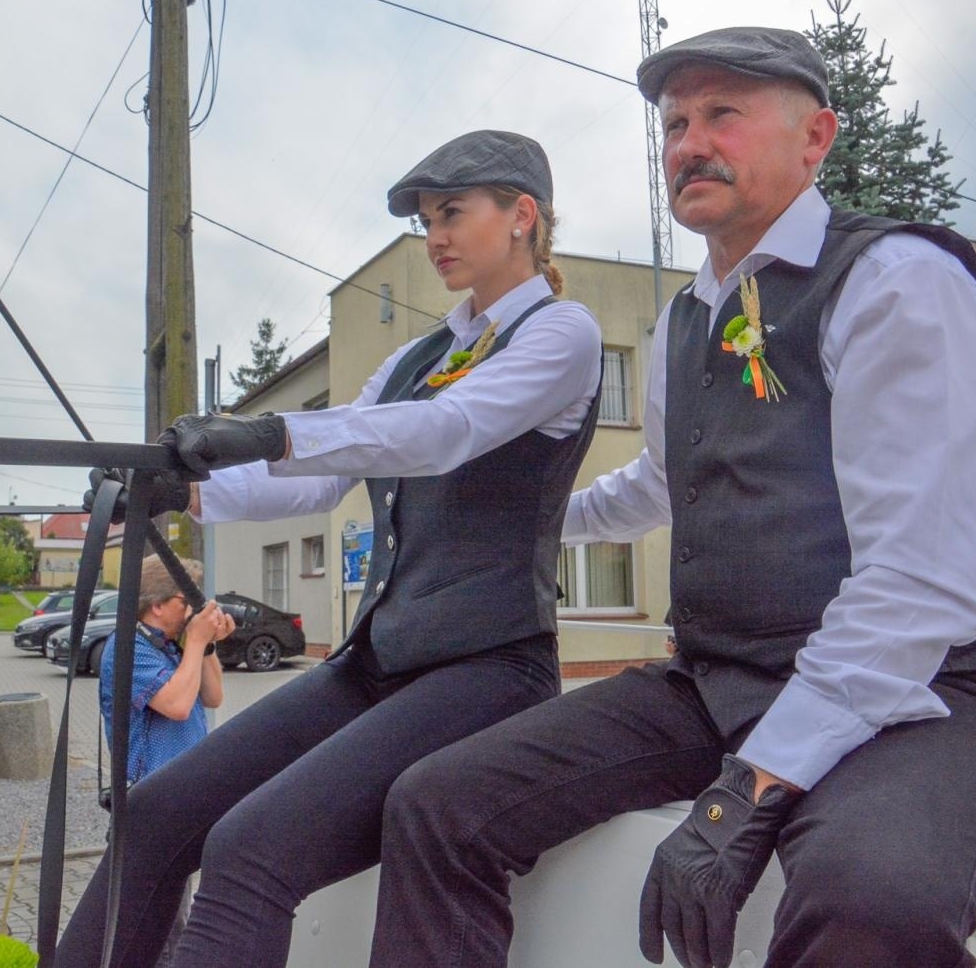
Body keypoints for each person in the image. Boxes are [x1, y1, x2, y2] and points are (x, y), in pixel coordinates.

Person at [371, 28, 976, 968]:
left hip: (920, 693)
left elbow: (921, 584)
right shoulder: (687, 316)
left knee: (872, 899)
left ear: (816, 139)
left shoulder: (897, 281)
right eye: (675, 122)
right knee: (436, 803)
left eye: (723, 112)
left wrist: (746, 793)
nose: (688, 142)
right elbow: (658, 484)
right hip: (715, 682)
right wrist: (518, 518)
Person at [57, 129, 603, 968]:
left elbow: (446, 431)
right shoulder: (417, 357)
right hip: (379, 661)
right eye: (427, 220)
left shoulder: (561, 336)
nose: (436, 238)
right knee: (158, 813)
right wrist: (183, 491)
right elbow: (320, 481)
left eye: (452, 213)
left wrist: (267, 431)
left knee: (249, 847)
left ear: (523, 215)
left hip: (490, 669)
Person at [98, 555, 235, 791]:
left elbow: (214, 697)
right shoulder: (128, 647)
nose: (191, 610)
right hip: (153, 790)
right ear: (157, 605)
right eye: (186, 601)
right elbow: (177, 706)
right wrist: (195, 638)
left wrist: (207, 643)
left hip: (186, 783)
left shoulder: (167, 645)